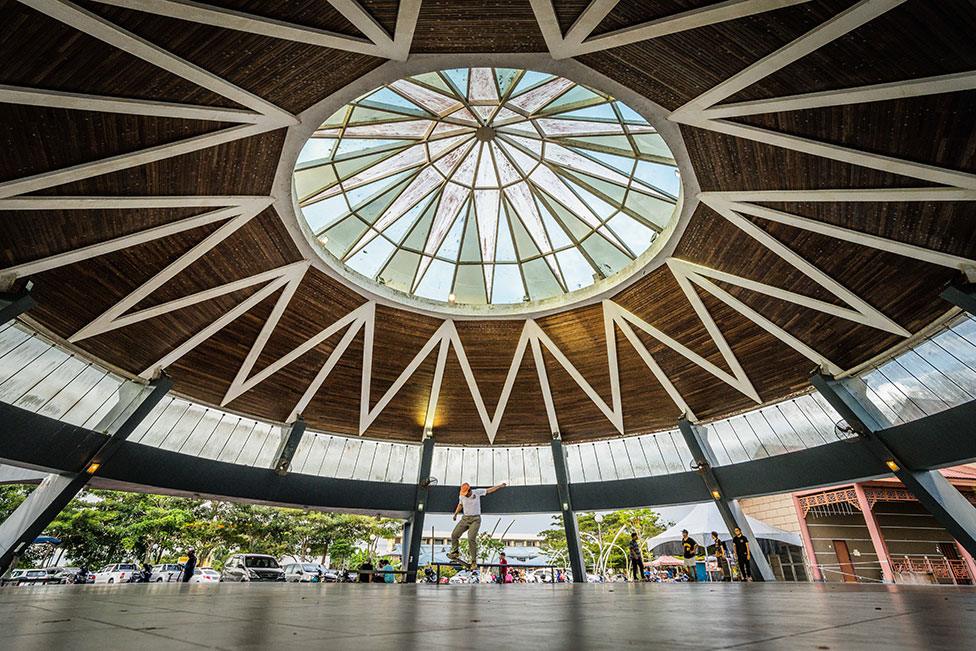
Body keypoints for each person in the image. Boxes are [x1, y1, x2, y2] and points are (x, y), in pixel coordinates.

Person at [448, 481, 507, 568]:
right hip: (465, 519)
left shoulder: (477, 492)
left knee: (471, 538)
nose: (465, 495)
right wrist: (455, 514)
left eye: (466, 493)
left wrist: (500, 486)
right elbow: (460, 505)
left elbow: (489, 490)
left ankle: (473, 561)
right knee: (454, 535)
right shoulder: (462, 496)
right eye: (463, 494)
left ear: (469, 490)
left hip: (475, 520)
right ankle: (455, 552)